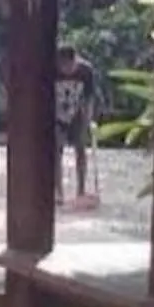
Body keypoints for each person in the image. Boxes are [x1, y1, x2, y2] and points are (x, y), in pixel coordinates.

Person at [53, 44, 105, 209]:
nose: (66, 69)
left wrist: (88, 119)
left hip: (78, 114)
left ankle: (80, 190)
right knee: (56, 151)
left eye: (69, 65)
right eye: (63, 66)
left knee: (81, 150)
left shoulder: (85, 71)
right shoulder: (51, 69)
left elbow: (89, 97)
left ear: (74, 61)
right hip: (57, 114)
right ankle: (58, 191)